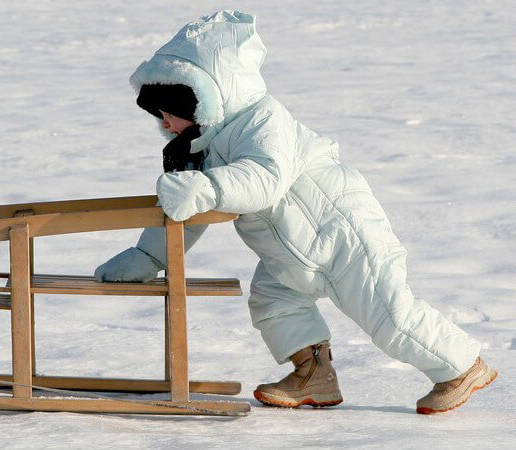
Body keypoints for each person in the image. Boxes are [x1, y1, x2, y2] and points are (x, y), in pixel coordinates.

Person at [94, 10, 497, 414]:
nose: (164, 125)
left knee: (389, 317)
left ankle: (462, 368)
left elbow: (264, 178)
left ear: (201, 98)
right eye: (159, 116)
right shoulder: (202, 147)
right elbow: (190, 213)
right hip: (288, 254)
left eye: (168, 111)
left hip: (342, 236)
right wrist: (150, 256)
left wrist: (209, 186)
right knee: (273, 304)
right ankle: (314, 374)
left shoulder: (263, 120)